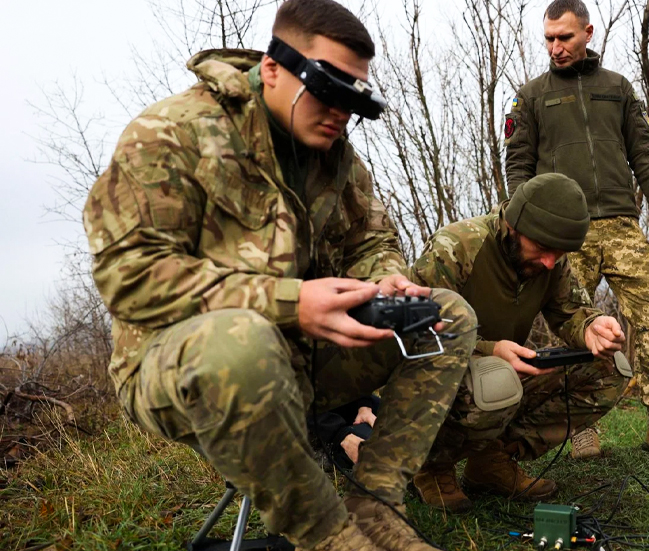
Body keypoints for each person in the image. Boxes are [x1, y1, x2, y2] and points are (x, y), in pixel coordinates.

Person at [82, 1, 477, 549]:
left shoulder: (333, 155)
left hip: (304, 359)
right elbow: (129, 276)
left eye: (352, 99)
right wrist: (290, 302)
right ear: (272, 67)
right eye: (328, 90)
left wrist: (387, 279)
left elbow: (372, 239)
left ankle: (376, 502)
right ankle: (329, 535)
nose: (340, 113)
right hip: (181, 367)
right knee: (241, 343)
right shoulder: (172, 134)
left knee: (446, 317)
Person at [504, 0, 649, 456]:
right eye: (549, 39)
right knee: (575, 330)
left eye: (565, 37)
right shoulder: (532, 95)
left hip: (621, 224)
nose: (556, 47)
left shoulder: (617, 88)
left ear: (588, 33)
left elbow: (645, 154)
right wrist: (519, 223)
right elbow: (518, 164)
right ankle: (579, 427)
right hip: (564, 234)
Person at [409, 174, 630, 513]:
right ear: (513, 225)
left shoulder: (551, 260)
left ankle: (492, 460)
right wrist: (489, 350)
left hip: (502, 378)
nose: (548, 262)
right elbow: (412, 330)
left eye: (557, 254)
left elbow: (567, 311)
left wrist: (590, 326)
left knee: (609, 367)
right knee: (495, 379)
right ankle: (431, 466)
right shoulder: (456, 247)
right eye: (542, 249)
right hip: (440, 380)